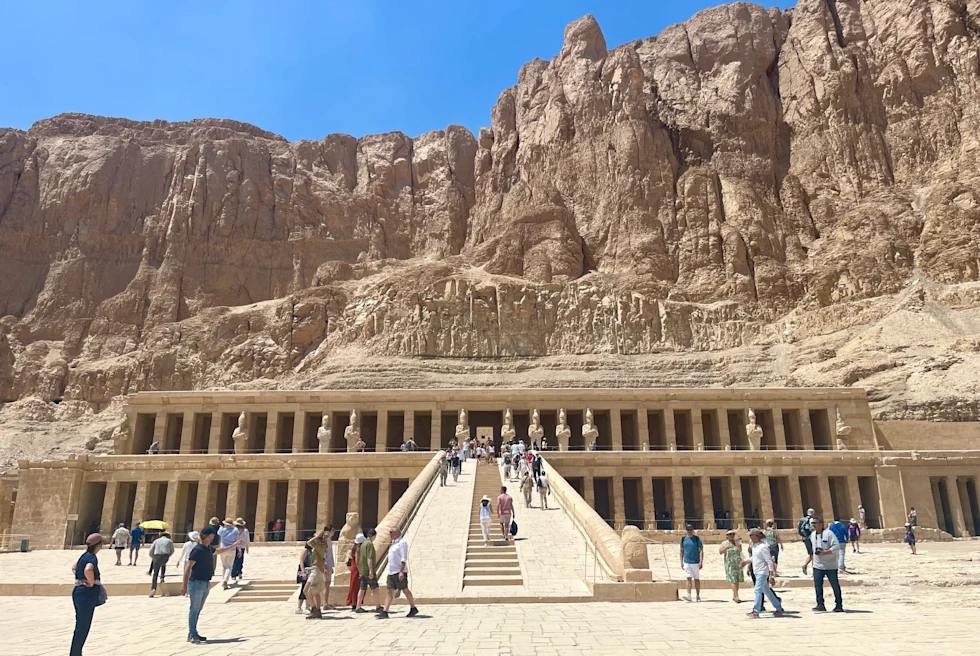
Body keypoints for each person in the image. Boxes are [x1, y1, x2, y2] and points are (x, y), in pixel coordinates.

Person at [181, 525, 238, 643]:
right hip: (196, 583)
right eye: (211, 536)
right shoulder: (197, 550)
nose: (213, 538)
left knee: (198, 609)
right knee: (194, 609)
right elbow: (188, 567)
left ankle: (192, 633)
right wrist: (184, 585)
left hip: (205, 583)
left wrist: (233, 546)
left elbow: (218, 551)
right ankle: (192, 634)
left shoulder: (208, 548)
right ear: (206, 536)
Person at [70, 533, 105, 656]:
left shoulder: (84, 556)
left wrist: (80, 580)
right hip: (86, 594)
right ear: (98, 545)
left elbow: (74, 567)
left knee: (80, 624)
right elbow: (88, 569)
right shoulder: (92, 558)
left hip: (78, 592)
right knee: (83, 626)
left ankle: (76, 652)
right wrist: (90, 582)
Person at [740, 527, 785, 618]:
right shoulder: (755, 546)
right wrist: (746, 562)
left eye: (751, 535)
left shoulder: (763, 547)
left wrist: (771, 576)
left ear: (756, 536)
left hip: (762, 572)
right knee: (767, 591)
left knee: (758, 590)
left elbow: (769, 561)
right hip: (757, 571)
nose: (750, 537)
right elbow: (755, 558)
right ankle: (779, 608)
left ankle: (755, 611)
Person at [376, 526, 419, 619]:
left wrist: (401, 571)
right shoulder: (393, 543)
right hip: (391, 572)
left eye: (391, 532)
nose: (389, 534)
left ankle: (413, 607)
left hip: (399, 571)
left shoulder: (402, 543)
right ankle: (385, 611)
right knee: (389, 591)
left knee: (405, 589)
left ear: (396, 533)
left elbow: (403, 558)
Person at [809, 516, 843, 612]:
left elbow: (836, 547)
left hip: (830, 565)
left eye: (815, 523)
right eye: (812, 523)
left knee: (835, 585)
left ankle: (839, 605)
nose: (813, 525)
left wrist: (825, 552)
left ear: (820, 524)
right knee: (818, 586)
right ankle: (820, 605)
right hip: (817, 565)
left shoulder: (829, 534)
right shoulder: (812, 535)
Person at [304, 526, 332, 619]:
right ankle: (318, 611)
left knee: (305, 591)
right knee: (316, 592)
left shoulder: (319, 546)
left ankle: (314, 609)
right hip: (319, 569)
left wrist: (316, 537)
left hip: (316, 569)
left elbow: (308, 542)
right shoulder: (323, 546)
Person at [357, 528, 382, 613]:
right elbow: (369, 558)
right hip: (368, 571)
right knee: (375, 588)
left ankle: (358, 606)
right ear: (374, 536)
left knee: (362, 589)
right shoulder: (370, 544)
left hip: (363, 571)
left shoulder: (363, 544)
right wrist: (371, 571)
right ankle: (378, 606)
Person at [679, 524, 704, 602]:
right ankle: (689, 595)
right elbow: (681, 551)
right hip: (687, 561)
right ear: (686, 530)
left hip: (695, 562)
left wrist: (701, 561)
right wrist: (681, 562)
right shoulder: (683, 539)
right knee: (688, 578)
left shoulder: (696, 539)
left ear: (693, 530)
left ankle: (698, 595)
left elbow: (701, 550)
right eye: (688, 530)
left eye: (690, 530)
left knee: (696, 579)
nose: (689, 531)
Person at [719, 529, 744, 602]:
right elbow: (720, 552)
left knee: (737, 580)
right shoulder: (724, 543)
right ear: (727, 536)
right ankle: (736, 596)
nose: (731, 535)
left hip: (738, 563)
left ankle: (734, 595)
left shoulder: (738, 543)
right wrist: (727, 547)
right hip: (729, 564)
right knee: (733, 580)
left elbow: (740, 550)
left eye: (732, 534)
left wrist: (736, 541)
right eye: (729, 534)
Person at [148, 531, 175, 598]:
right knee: (163, 564)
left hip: (157, 556)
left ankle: (153, 588)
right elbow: (172, 550)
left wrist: (153, 557)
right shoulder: (169, 541)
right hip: (165, 556)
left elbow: (151, 550)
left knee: (155, 574)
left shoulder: (156, 541)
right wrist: (168, 555)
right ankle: (162, 577)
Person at [217, 518, 240, 589]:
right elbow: (237, 540)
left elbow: (218, 533)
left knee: (224, 566)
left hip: (223, 549)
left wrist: (221, 527)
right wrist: (239, 550)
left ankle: (223, 580)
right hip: (232, 549)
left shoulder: (222, 530)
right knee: (229, 567)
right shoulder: (235, 530)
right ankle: (225, 581)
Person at [345, 533, 364, 611]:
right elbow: (357, 562)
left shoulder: (354, 548)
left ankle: (354, 603)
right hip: (356, 569)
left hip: (354, 568)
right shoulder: (358, 549)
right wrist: (360, 571)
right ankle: (354, 603)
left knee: (354, 585)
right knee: (356, 586)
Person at [231, 518, 250, 583]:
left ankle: (233, 574)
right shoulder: (245, 530)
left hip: (235, 546)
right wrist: (247, 548)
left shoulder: (234, 530)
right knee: (240, 560)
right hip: (242, 547)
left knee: (234, 561)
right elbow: (247, 539)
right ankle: (239, 572)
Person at [296, 541, 312, 614]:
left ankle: (307, 606)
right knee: (304, 589)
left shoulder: (312, 551)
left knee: (307, 589)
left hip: (309, 571)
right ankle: (300, 607)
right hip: (305, 571)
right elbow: (301, 562)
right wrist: (303, 572)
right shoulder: (305, 550)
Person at [797, 508, 815, 574]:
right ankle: (815, 571)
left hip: (805, 538)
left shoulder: (802, 520)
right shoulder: (812, 520)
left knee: (811, 554)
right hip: (811, 538)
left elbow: (799, 530)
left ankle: (805, 565)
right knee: (814, 555)